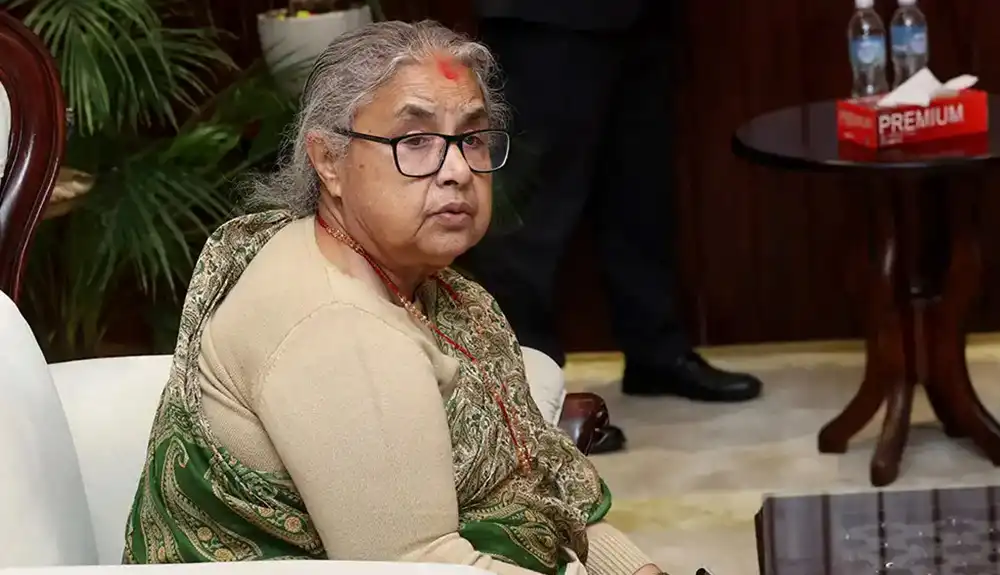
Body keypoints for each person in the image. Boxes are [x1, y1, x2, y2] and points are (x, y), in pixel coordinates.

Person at [123, 20, 667, 575]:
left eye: (472, 138)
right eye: (415, 141)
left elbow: (540, 490)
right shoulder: (337, 327)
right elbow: (423, 567)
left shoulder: (429, 287)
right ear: (328, 161)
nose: (458, 170)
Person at [464, 0, 764, 453]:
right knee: (532, 218)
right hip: (547, 16)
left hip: (640, 13)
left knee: (640, 193)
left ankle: (656, 354)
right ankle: (530, 401)